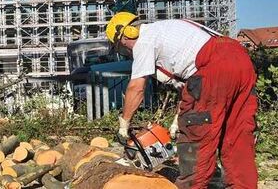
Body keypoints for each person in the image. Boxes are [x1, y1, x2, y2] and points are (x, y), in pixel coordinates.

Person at [105, 12, 257, 189]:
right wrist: (179, 117)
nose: (127, 51)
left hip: (212, 67)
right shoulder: (168, 29)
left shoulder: (145, 40)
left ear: (126, 35)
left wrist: (124, 123)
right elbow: (191, 82)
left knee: (195, 135)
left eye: (122, 47)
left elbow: (136, 88)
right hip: (241, 60)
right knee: (237, 135)